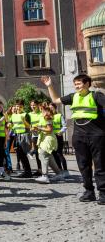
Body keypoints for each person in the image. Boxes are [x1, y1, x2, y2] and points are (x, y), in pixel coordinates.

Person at [41, 74, 105, 204]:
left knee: (100, 165)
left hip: (96, 135)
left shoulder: (96, 96)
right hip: (79, 136)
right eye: (75, 84)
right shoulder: (73, 96)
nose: (77, 86)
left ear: (87, 84)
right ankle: (89, 192)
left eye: (79, 84)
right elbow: (55, 99)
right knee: (83, 166)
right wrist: (49, 86)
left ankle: (103, 193)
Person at [33, 105, 63, 184]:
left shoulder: (48, 118)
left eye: (43, 111)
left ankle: (45, 176)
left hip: (48, 139)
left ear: (47, 112)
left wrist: (39, 128)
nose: (42, 112)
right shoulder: (43, 118)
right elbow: (43, 129)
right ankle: (59, 174)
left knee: (43, 155)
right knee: (49, 158)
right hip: (44, 139)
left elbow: (49, 130)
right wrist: (36, 129)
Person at [11, 100, 32, 178]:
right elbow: (12, 124)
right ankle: (26, 171)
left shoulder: (25, 115)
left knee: (23, 153)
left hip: (24, 135)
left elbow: (29, 126)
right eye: (17, 106)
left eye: (20, 106)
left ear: (23, 107)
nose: (18, 108)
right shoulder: (13, 115)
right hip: (16, 135)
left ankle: (27, 171)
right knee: (19, 154)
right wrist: (10, 125)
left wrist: (24, 121)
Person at [49, 102, 69, 177]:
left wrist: (60, 132)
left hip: (58, 136)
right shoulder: (49, 116)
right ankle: (59, 171)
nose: (51, 109)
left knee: (59, 154)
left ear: (55, 108)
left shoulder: (59, 115)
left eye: (52, 107)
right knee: (54, 154)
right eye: (49, 108)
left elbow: (64, 126)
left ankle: (66, 171)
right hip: (52, 137)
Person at [28, 100, 43, 176]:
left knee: (43, 153)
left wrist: (37, 127)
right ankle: (40, 170)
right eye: (31, 105)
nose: (33, 107)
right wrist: (31, 128)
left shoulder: (41, 114)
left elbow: (44, 123)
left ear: (37, 105)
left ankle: (44, 170)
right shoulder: (29, 114)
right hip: (34, 136)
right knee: (37, 153)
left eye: (34, 105)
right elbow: (28, 125)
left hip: (42, 135)